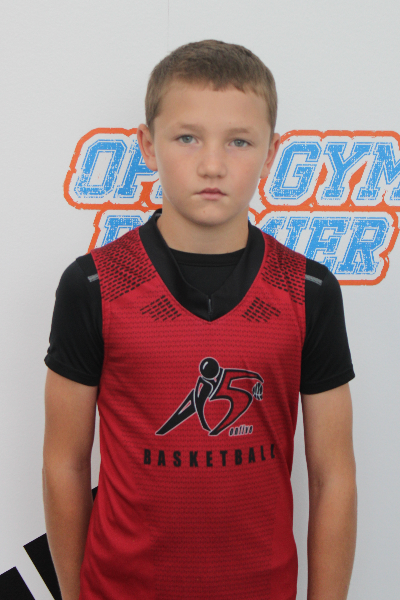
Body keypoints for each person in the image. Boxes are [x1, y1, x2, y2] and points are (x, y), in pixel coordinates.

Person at [42, 39, 357, 600]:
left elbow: (332, 477)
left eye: (239, 141)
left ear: (271, 152)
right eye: (187, 137)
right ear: (148, 145)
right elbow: (64, 464)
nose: (212, 165)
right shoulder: (94, 286)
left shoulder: (307, 291)